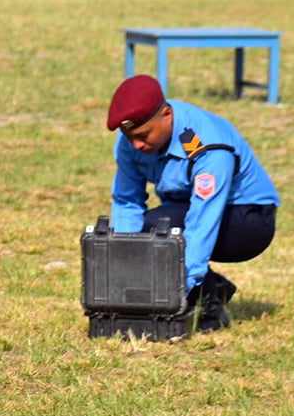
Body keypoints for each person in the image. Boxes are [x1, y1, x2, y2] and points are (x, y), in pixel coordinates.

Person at [106, 74, 279, 331]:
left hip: (248, 219)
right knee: (148, 234)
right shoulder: (131, 142)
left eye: (143, 135)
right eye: (129, 137)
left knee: (159, 231)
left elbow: (202, 222)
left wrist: (177, 290)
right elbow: (126, 202)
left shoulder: (208, 147)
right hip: (188, 210)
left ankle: (206, 304)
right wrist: (126, 266)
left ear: (166, 114)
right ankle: (213, 290)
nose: (136, 144)